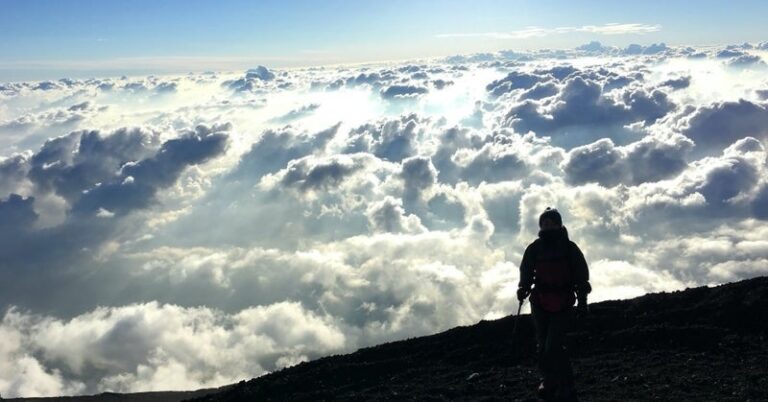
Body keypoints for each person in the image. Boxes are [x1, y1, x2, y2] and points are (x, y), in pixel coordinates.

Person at [516, 207, 591, 401]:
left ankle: (564, 383)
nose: (547, 226)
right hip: (540, 302)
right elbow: (527, 270)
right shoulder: (535, 248)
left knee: (553, 346)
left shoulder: (569, 248)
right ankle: (549, 380)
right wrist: (523, 287)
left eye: (551, 223)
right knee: (543, 345)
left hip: (563, 301)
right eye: (544, 223)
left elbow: (581, 276)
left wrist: (582, 301)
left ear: (559, 224)